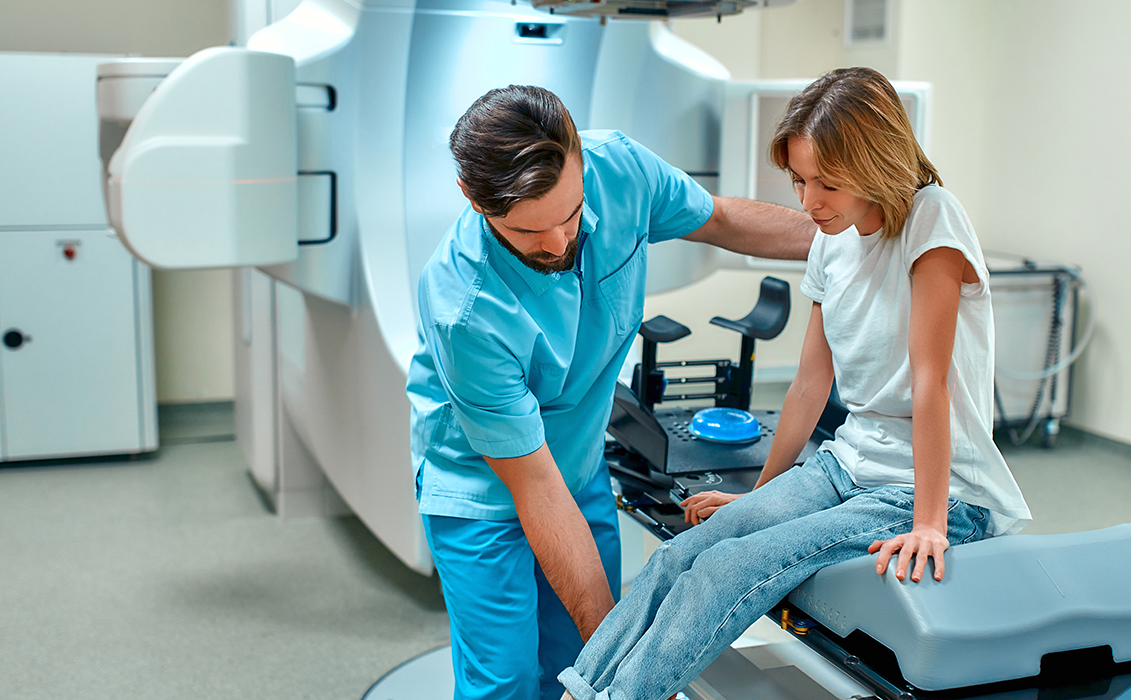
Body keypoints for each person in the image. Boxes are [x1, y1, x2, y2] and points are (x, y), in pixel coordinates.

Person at [557, 67, 1032, 700]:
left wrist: (931, 524)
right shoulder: (831, 244)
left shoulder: (931, 220)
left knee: (727, 568)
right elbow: (810, 386)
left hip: (934, 492)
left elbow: (930, 383)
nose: (808, 203)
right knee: (682, 553)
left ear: (877, 163)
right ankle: (580, 690)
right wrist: (757, 500)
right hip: (843, 469)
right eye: (800, 181)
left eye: (827, 183)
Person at [406, 84, 817, 700]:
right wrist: (631, 672)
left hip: (577, 461)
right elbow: (535, 488)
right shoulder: (464, 309)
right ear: (472, 198)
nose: (559, 242)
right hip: (485, 489)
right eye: (528, 231)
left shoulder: (620, 169)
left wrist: (860, 238)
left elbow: (722, 219)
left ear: (580, 159)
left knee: (575, 661)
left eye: (570, 215)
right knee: (507, 682)